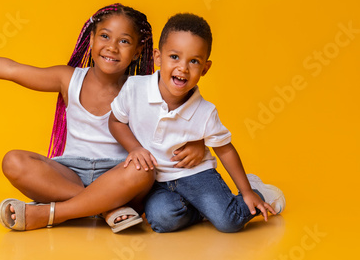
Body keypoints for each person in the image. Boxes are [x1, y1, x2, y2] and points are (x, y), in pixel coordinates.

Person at [0, 3, 206, 232]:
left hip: (118, 176)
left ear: (138, 52)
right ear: (91, 39)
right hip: (69, 172)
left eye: (124, 41)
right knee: (13, 161)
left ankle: (49, 213)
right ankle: (105, 208)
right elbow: (12, 69)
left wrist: (200, 146)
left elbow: (182, 120)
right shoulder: (68, 79)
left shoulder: (145, 90)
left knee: (144, 170)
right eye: (105, 36)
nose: (112, 47)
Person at [109, 13, 286, 233]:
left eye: (194, 61)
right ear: (158, 57)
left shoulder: (205, 111)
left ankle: (259, 192)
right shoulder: (134, 88)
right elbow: (115, 121)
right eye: (174, 56)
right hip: (157, 181)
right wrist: (134, 148)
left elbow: (225, 151)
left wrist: (246, 191)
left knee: (227, 222)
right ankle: (203, 209)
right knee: (161, 220)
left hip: (196, 175)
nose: (183, 68)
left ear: (205, 68)